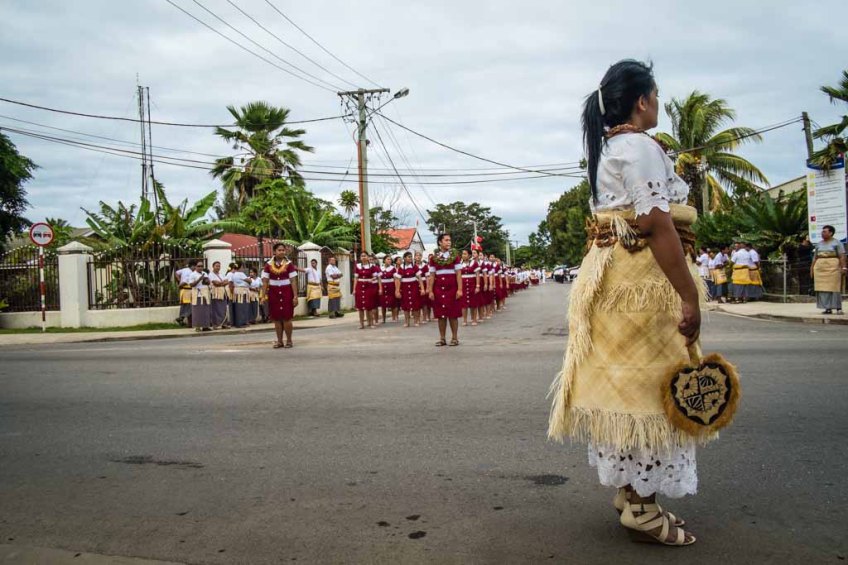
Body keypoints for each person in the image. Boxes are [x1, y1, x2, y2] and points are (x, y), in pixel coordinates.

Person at [548, 60, 703, 546]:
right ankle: (640, 504)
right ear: (641, 101)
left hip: (611, 278)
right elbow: (657, 225)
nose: (657, 104)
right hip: (639, 282)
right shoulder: (638, 147)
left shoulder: (610, 148)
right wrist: (688, 294)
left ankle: (630, 491)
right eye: (655, 96)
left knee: (625, 384)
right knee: (648, 388)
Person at [428, 233, 463, 346]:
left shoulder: (455, 257)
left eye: (450, 240)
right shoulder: (434, 258)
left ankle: (454, 338)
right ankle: (442, 338)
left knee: (453, 314)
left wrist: (460, 289)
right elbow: (432, 275)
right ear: (440, 242)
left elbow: (458, 274)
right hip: (438, 289)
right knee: (441, 315)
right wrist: (430, 290)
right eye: (446, 240)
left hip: (452, 288)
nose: (449, 242)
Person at [262, 243, 299, 348]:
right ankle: (279, 341)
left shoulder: (289, 264)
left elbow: (293, 281)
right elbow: (265, 282)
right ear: (274, 252)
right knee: (276, 318)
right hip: (273, 294)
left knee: (287, 318)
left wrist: (295, 296)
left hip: (287, 292)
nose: (282, 252)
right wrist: (263, 296)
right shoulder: (268, 265)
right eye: (279, 250)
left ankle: (289, 341)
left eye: (283, 250)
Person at [811, 225, 846, 314]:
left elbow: (842, 256)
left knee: (834, 287)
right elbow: (815, 257)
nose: (822, 233)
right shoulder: (819, 244)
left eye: (825, 231)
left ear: (831, 233)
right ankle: (827, 308)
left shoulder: (837, 243)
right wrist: (812, 268)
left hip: (833, 267)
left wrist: (844, 267)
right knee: (822, 288)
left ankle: (838, 308)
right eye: (822, 231)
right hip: (820, 268)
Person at [396, 251, 425, 327]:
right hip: (405, 288)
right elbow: (398, 280)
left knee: (415, 305)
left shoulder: (414, 267)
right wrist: (397, 290)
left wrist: (422, 289)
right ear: (404, 258)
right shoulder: (401, 267)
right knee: (405, 305)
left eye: (411, 257)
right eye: (409, 257)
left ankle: (416, 321)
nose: (410, 258)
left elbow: (419, 278)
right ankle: (406, 322)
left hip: (414, 287)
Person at [354, 252, 381, 329]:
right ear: (360, 258)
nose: (363, 257)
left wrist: (371, 279)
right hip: (360, 286)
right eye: (362, 256)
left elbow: (376, 277)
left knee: (369, 306)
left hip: (369, 286)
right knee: (360, 307)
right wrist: (354, 289)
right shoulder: (358, 266)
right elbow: (356, 278)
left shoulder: (372, 267)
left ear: (368, 257)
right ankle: (361, 324)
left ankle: (371, 323)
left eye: (365, 256)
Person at [188, 261, 212, 332]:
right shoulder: (192, 274)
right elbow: (191, 285)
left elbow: (207, 283)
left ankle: (205, 326)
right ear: (195, 267)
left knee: (205, 310)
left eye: (201, 266)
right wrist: (199, 279)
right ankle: (197, 326)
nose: (200, 267)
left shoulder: (205, 273)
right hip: (197, 294)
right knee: (197, 310)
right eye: (198, 266)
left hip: (205, 293)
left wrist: (207, 281)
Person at [228, 263, 254, 328]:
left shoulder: (232, 274)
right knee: (243, 307)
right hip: (242, 291)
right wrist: (250, 280)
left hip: (236, 291)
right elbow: (249, 281)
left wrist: (232, 291)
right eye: (243, 267)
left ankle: (236, 322)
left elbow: (230, 283)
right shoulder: (241, 274)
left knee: (237, 307)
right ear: (240, 267)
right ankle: (242, 323)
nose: (243, 268)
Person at [460, 249, 481, 326]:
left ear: (469, 255)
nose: (463, 255)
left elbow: (478, 275)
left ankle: (474, 319)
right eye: (462, 254)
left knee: (473, 303)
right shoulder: (460, 264)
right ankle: (465, 320)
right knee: (463, 304)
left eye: (465, 254)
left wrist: (477, 286)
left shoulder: (474, 263)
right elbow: (458, 276)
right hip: (463, 286)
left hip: (472, 285)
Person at [208, 261, 230, 329]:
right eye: (216, 266)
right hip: (216, 293)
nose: (218, 267)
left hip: (223, 293)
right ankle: (216, 324)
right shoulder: (210, 274)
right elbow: (215, 283)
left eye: (219, 266)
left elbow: (227, 281)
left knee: (223, 309)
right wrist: (222, 283)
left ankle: (224, 324)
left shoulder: (221, 274)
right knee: (216, 309)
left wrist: (220, 283)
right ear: (213, 266)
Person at [379, 255, 400, 324]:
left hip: (391, 286)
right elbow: (378, 278)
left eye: (390, 259)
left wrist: (397, 289)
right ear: (384, 260)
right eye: (388, 259)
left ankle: (395, 317)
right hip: (383, 285)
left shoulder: (393, 268)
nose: (389, 261)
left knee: (393, 302)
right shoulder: (380, 268)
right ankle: (383, 318)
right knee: (383, 303)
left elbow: (396, 278)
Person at [175, 262, 194, 326]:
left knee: (184, 306)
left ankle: (181, 318)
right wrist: (180, 284)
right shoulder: (190, 273)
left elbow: (176, 273)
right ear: (192, 266)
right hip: (187, 291)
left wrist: (179, 279)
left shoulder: (184, 269)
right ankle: (182, 318)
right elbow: (185, 281)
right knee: (189, 306)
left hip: (183, 291)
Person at [415, 251, 431, 323]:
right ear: (414, 257)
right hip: (415, 284)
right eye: (416, 256)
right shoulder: (413, 266)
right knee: (417, 302)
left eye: (419, 256)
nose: (418, 257)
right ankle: (417, 318)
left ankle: (425, 317)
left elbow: (427, 277)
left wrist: (427, 287)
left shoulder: (425, 266)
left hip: (424, 283)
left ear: (421, 257)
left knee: (424, 302)